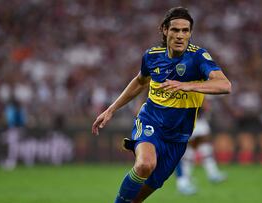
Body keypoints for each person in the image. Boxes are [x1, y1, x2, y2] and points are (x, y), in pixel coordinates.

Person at [92, 7, 231, 203]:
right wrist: (111, 109)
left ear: (190, 33)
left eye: (185, 30)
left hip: (178, 137)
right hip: (151, 123)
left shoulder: (198, 57)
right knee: (145, 165)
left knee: (138, 197)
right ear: (165, 30)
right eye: (175, 30)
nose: (180, 35)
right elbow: (140, 81)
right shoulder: (152, 55)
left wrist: (187, 87)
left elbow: (225, 85)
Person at [175, 100, 226, 195]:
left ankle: (186, 180)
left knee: (198, 146)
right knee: (189, 148)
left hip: (195, 119)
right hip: (190, 119)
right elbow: (205, 105)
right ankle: (184, 181)